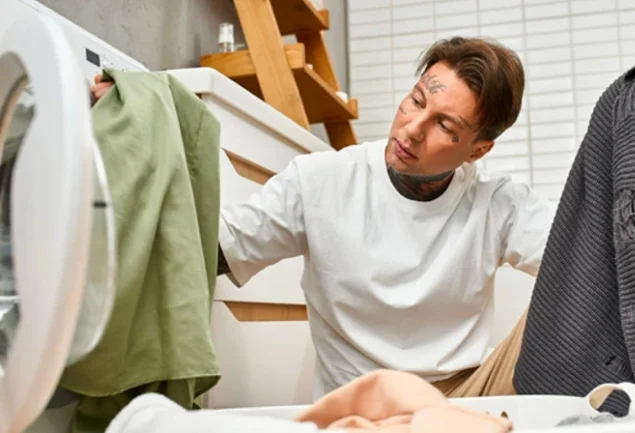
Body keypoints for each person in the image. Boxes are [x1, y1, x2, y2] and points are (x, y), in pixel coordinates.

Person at [91, 36, 557, 399]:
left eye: (444, 126)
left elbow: (589, 257)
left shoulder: (498, 203)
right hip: (361, 404)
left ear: (478, 149)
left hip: (464, 398)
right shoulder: (321, 180)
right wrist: (143, 120)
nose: (412, 130)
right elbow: (211, 251)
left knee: (581, 288)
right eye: (417, 101)